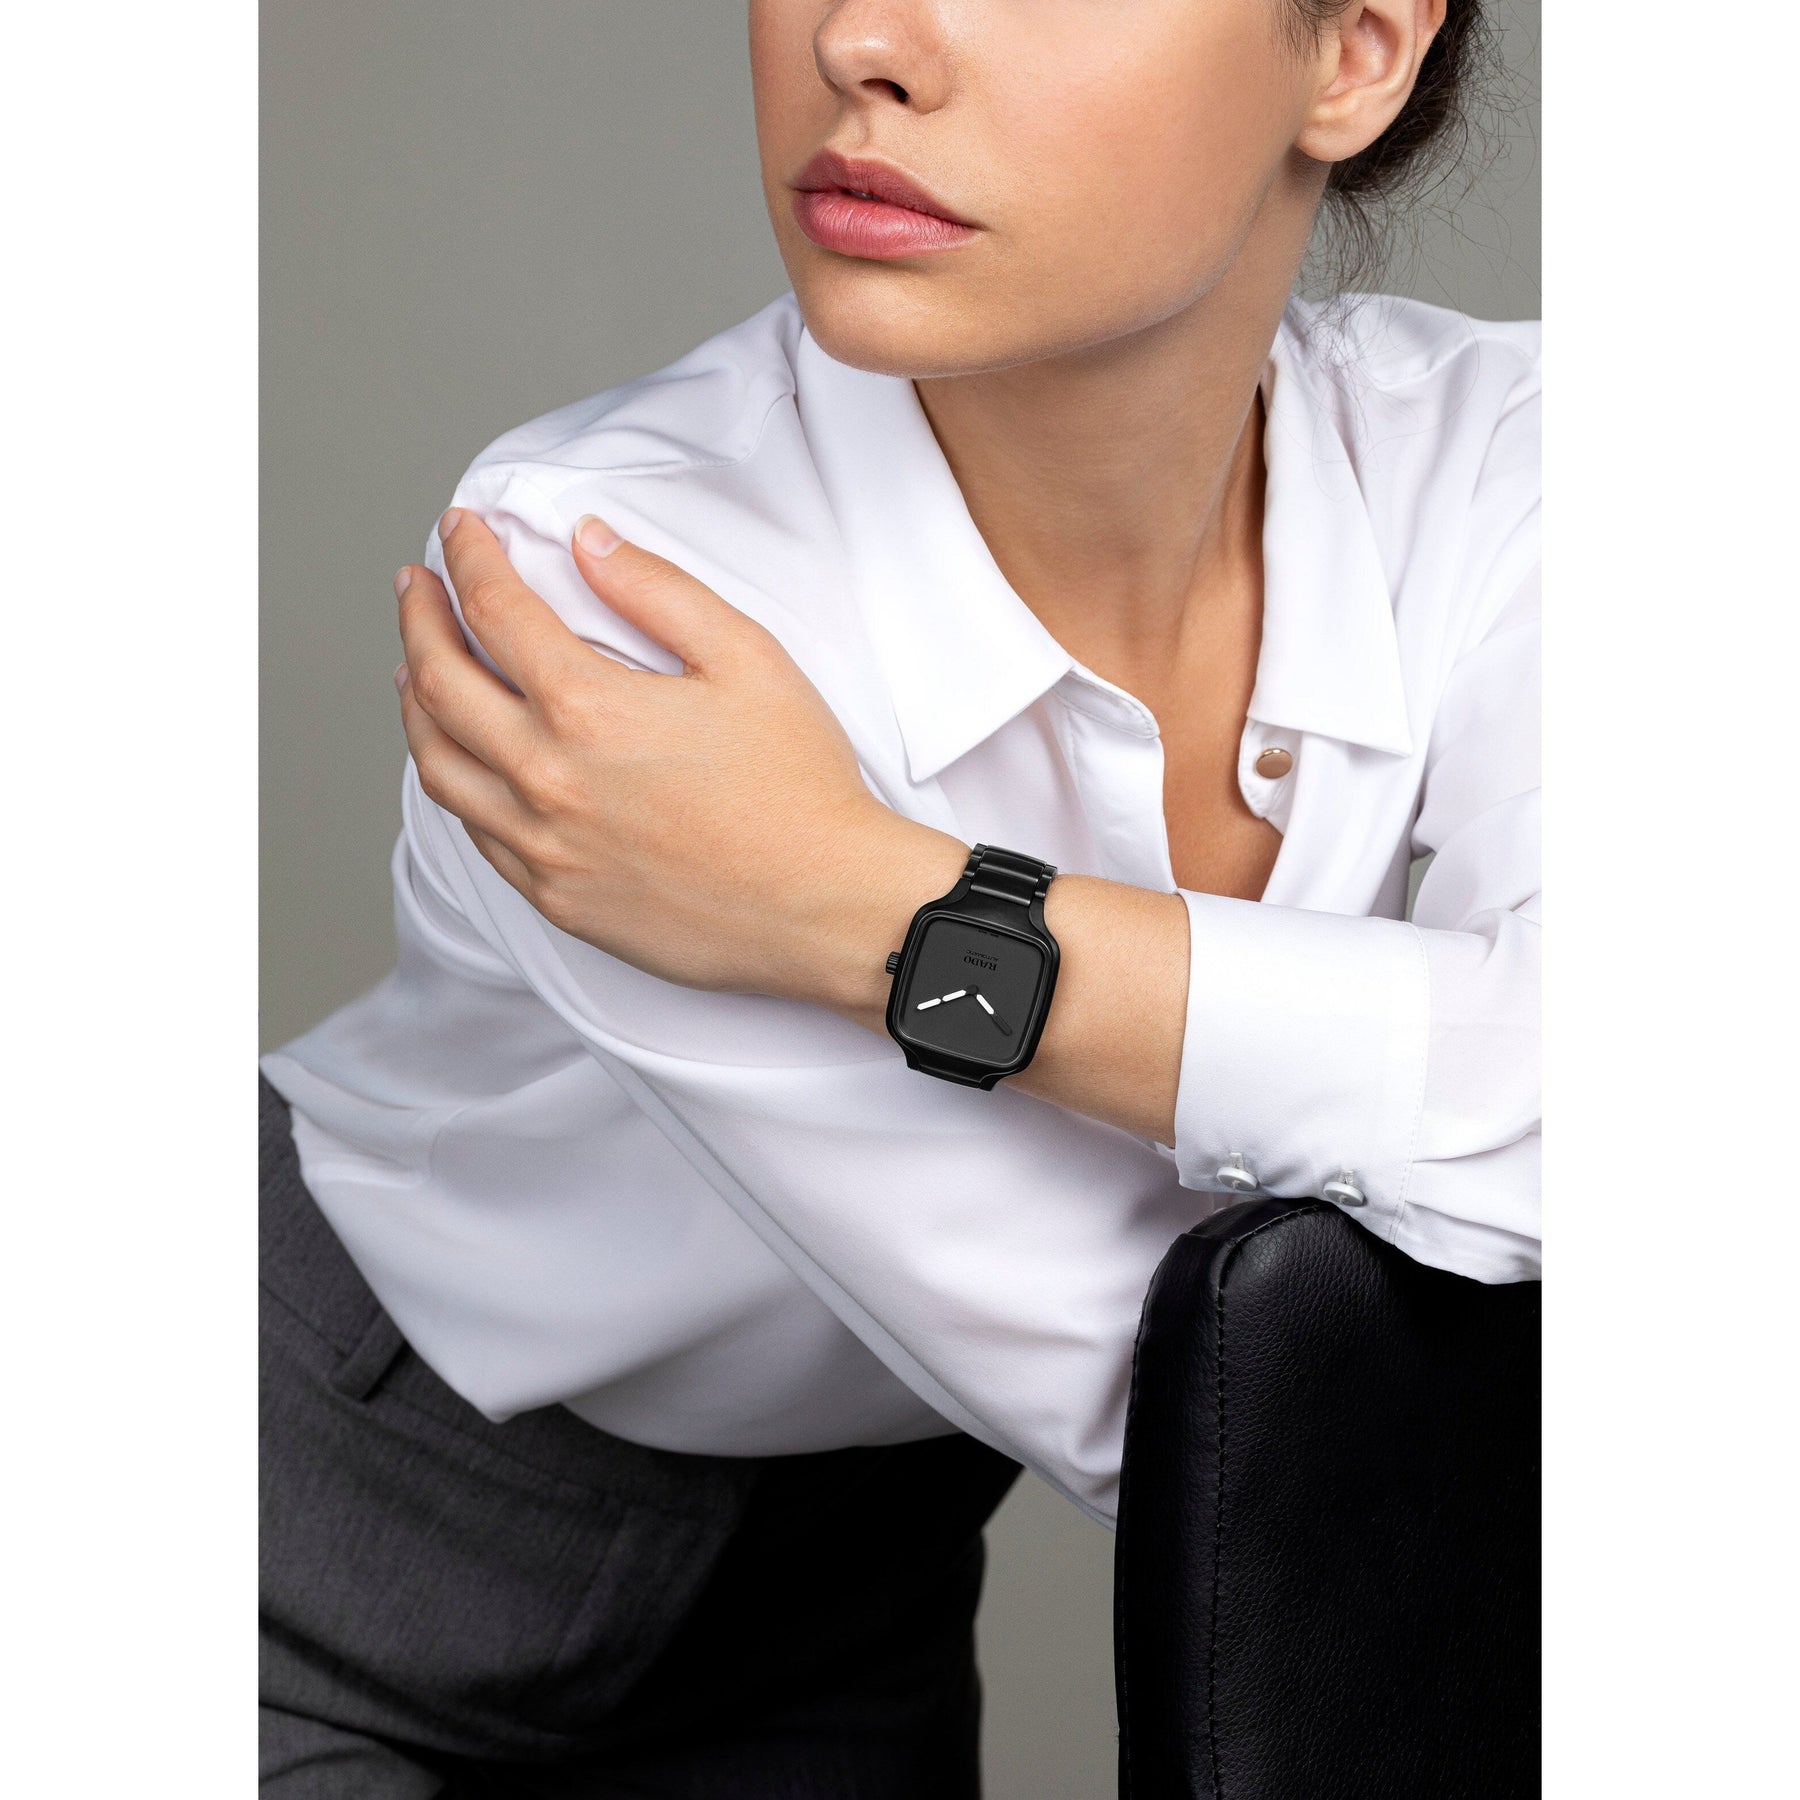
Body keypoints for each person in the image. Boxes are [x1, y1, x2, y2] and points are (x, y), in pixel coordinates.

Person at [260, 0, 1538, 1793]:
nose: (864, 37)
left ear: (1355, 54)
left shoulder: (1504, 465)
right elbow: (1240, 1418)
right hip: (306, 1519)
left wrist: (859, 902)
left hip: (848, 1584)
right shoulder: (610, 581)